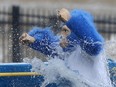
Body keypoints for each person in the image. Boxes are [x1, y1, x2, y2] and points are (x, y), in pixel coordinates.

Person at [19, 8, 112, 86]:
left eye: (65, 31)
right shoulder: (67, 52)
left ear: (77, 33)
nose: (61, 35)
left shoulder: (88, 51)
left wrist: (71, 19)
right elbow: (50, 47)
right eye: (62, 31)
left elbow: (94, 43)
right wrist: (33, 40)